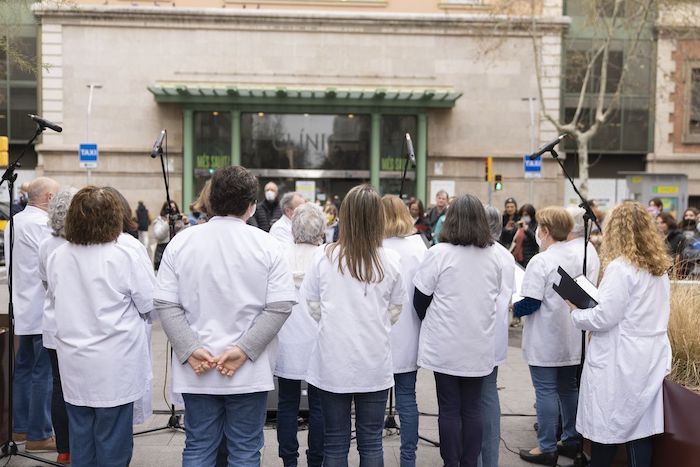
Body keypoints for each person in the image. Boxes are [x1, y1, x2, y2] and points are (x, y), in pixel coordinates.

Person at [155, 166, 296, 466]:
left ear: (210, 201)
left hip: (198, 368)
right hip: (247, 371)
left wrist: (190, 349)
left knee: (198, 447)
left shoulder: (182, 242)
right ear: (251, 205)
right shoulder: (267, 244)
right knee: (245, 451)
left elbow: (166, 303)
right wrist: (244, 350)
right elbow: (281, 306)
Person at [47, 186, 155, 467]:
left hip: (74, 361)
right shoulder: (125, 252)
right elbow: (149, 304)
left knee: (81, 439)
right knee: (113, 443)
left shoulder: (59, 255)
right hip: (114, 364)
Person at [301, 184, 404, 467]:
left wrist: (337, 324)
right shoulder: (391, 260)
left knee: (335, 441)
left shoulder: (324, 256)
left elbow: (312, 305)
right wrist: (374, 324)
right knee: (371, 441)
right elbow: (396, 309)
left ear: (344, 217)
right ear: (378, 218)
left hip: (333, 360)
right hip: (374, 360)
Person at [568, 201, 672, 467]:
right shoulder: (658, 270)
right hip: (648, 356)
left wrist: (575, 312)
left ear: (616, 230)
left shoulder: (621, 268)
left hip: (619, 359)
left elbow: (604, 317)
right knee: (638, 431)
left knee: (608, 429)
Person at [412, 194, 502, 467]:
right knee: (472, 408)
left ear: (449, 221)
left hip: (446, 344)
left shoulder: (438, 254)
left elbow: (420, 300)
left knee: (449, 408)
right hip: (478, 343)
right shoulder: (493, 256)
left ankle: (451, 462)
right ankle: (469, 463)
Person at [512, 207, 581, 466]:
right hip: (570, 334)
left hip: (545, 337)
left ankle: (547, 447)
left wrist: (513, 307)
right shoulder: (576, 255)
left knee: (545, 391)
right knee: (568, 388)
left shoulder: (540, 260)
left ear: (546, 231)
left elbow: (531, 302)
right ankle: (571, 439)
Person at [7, 176, 59, 452]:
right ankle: (39, 434)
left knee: (24, 370)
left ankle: (21, 429)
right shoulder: (42, 225)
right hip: (41, 309)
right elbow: (53, 263)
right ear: (49, 198)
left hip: (24, 307)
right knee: (44, 373)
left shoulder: (15, 221)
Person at [275, 203, 325, 467]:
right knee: (319, 407)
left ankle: (288, 461)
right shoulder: (327, 257)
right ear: (321, 232)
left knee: (286, 403)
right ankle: (315, 460)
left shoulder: (279, 254)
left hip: (286, 339)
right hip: (318, 341)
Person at [381, 195, 427, 467]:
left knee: (374, 401)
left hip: (380, 330)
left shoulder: (376, 245)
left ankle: (375, 455)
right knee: (408, 397)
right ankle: (408, 458)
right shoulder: (418, 246)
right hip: (410, 328)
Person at [38, 187, 76, 465]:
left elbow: (44, 283)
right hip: (77, 328)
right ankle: (80, 441)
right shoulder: (80, 244)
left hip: (53, 326)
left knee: (58, 385)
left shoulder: (46, 245)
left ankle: (64, 447)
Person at [478, 205, 515, 467]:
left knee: (479, 398)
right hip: (495, 334)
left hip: (480, 334)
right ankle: (488, 458)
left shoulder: (484, 254)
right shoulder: (505, 255)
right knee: (488, 393)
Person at [152, 200, 188, 271]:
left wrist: (186, 223)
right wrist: (167, 223)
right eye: (170, 208)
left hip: (178, 250)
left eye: (174, 208)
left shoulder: (179, 219)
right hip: (163, 250)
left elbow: (186, 236)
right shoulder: (160, 220)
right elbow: (158, 235)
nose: (172, 210)